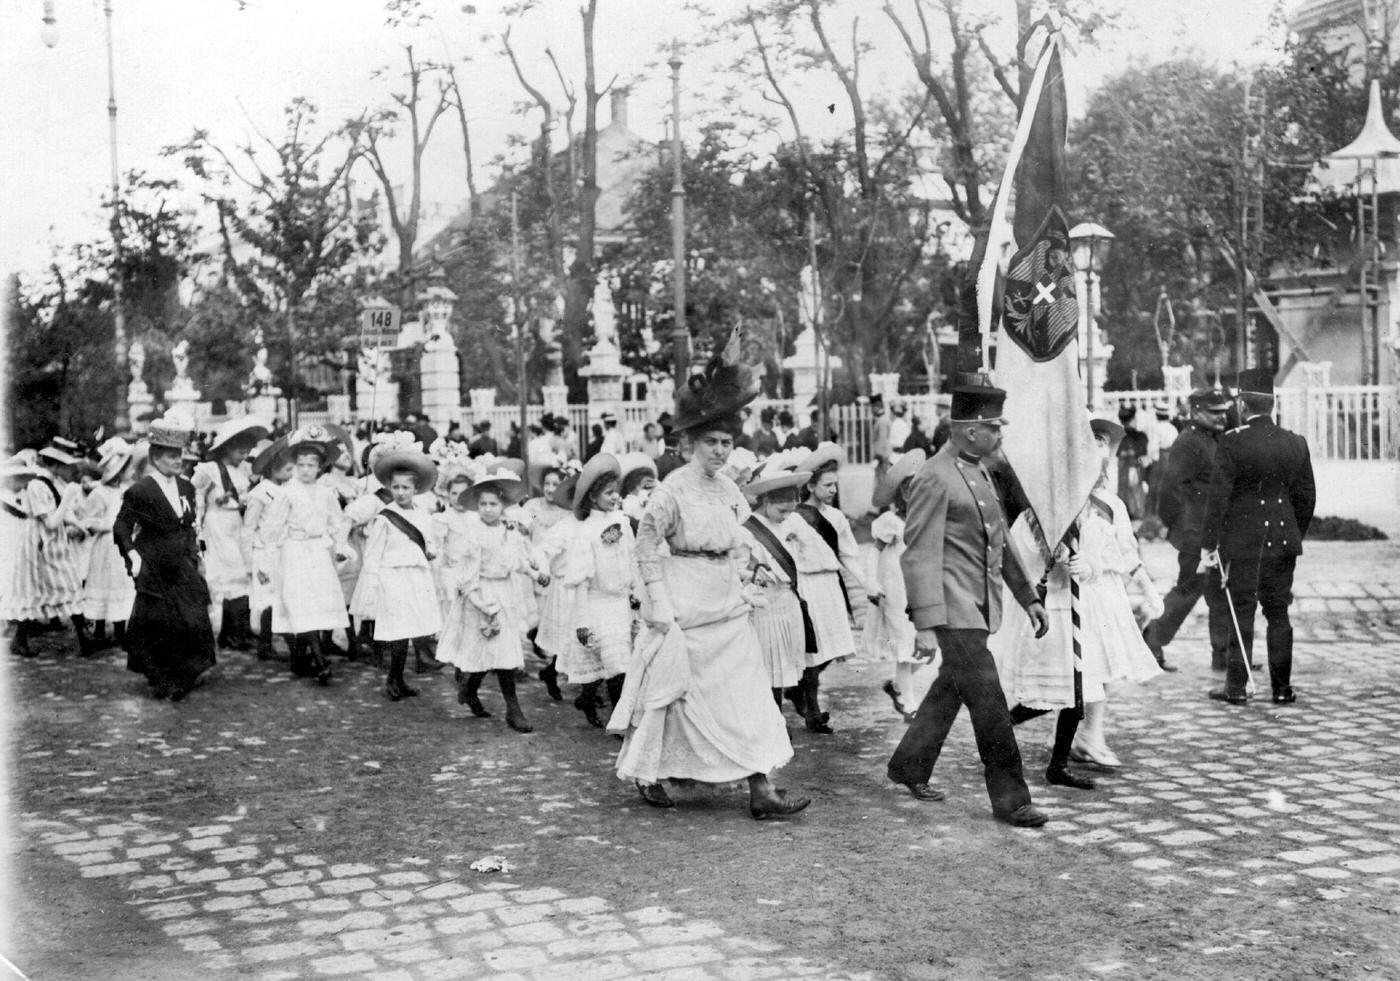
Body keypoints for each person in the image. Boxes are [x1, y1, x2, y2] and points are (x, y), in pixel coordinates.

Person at [610, 334, 809, 819]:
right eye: (711, 443)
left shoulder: (728, 491)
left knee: (746, 693)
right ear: (687, 444)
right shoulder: (670, 492)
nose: (720, 452)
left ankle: (761, 788)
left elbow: (739, 538)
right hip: (684, 601)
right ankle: (652, 771)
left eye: (727, 443)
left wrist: (750, 569)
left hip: (727, 601)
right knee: (677, 694)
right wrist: (657, 604)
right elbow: (645, 548)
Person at [885, 382, 1052, 829]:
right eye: (992, 427)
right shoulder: (934, 477)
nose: (999, 435)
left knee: (950, 689)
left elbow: (1002, 540)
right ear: (967, 430)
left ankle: (908, 765)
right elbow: (918, 553)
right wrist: (923, 622)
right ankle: (1012, 800)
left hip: (980, 607)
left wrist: (1028, 596)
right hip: (951, 609)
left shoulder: (980, 469)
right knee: (990, 702)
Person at [992, 418, 1163, 788]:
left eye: (1101, 444)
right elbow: (1019, 556)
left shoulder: (1110, 504)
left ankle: (1062, 760)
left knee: (1083, 686)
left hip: (1095, 606)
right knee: (1051, 688)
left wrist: (1134, 582)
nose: (1094, 452)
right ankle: (997, 730)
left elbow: (1125, 552)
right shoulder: (1043, 508)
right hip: (1056, 606)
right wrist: (1052, 562)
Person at [1201, 369, 1315, 706]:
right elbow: (1306, 498)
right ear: (1273, 403)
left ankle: (1236, 688)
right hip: (1282, 542)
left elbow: (1218, 497)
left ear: (1241, 402)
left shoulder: (1232, 441)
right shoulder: (1296, 443)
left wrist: (1211, 542)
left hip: (1243, 543)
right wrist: (1293, 532)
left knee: (1242, 610)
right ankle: (1281, 689)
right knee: (1279, 612)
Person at [113, 413, 218, 699]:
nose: (178, 460)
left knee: (190, 616)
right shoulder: (141, 490)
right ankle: (161, 676)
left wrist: (197, 556)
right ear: (156, 457)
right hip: (155, 564)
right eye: (171, 456)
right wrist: (132, 556)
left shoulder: (186, 487)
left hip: (182, 563)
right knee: (159, 621)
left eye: (180, 455)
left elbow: (189, 525)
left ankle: (186, 671)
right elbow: (121, 526)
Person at [438, 467, 545, 733]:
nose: (488, 509)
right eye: (483, 504)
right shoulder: (474, 535)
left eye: (493, 504)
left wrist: (535, 574)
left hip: (505, 593)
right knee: (486, 651)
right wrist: (482, 604)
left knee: (503, 651)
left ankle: (476, 691)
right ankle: (510, 707)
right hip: (483, 596)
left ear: (503, 506)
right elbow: (468, 576)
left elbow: (517, 560)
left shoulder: (509, 531)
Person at [1141, 389, 1234, 673]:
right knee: (1189, 589)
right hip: (1196, 533)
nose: (1221, 417)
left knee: (1220, 592)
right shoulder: (1188, 443)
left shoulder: (1215, 439)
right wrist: (1185, 529)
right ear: (1196, 412)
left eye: (1223, 411)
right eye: (1214, 412)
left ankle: (1224, 655)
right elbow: (1170, 491)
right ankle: (1150, 643)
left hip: (1216, 531)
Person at [793, 441, 879, 733]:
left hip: (831, 584)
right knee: (813, 651)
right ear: (811, 485)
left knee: (833, 647)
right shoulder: (795, 517)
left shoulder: (836, 517)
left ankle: (800, 690)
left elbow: (849, 555)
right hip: (806, 586)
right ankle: (812, 711)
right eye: (827, 484)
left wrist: (867, 583)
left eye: (835, 485)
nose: (833, 490)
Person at [260, 425, 353, 684]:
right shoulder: (287, 492)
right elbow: (272, 528)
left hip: (318, 551)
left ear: (321, 467)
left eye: (311, 465)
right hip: (294, 551)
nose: (305, 470)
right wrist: (267, 560)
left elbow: (337, 522)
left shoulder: (325, 493)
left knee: (319, 603)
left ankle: (301, 659)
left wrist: (342, 546)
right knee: (301, 603)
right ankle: (321, 661)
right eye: (300, 464)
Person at [361, 447, 443, 701]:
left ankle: (399, 679)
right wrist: (373, 585)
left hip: (416, 577)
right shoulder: (385, 518)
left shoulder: (422, 515)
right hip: (392, 577)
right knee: (396, 631)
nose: (400, 493)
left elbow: (431, 543)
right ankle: (392, 680)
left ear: (416, 488)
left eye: (406, 488)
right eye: (395, 488)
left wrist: (430, 552)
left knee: (410, 629)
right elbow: (373, 554)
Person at [560, 453, 636, 727]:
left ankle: (587, 698)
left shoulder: (623, 524)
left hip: (620, 603)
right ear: (593, 498)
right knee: (616, 665)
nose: (615, 497)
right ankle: (619, 720)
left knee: (617, 662)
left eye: (616, 492)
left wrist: (635, 593)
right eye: (608, 493)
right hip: (596, 603)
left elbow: (631, 559)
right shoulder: (586, 531)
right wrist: (582, 621)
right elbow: (580, 579)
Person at [738, 451, 813, 712]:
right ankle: (770, 720)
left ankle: (776, 719)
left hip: (786, 602)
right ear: (766, 499)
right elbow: (739, 569)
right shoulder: (748, 529)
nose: (785, 516)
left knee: (784, 665)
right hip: (763, 606)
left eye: (789, 511)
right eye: (782, 510)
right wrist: (753, 574)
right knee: (766, 666)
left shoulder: (787, 525)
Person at [193, 417, 269, 653]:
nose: (243, 454)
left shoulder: (242, 470)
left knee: (241, 576)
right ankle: (231, 633)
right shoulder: (209, 469)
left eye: (247, 450)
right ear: (227, 447)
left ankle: (238, 630)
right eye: (239, 449)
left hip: (236, 523)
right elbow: (195, 498)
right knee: (229, 575)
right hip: (216, 525)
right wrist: (197, 529)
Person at [867, 448, 929, 722]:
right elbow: (875, 551)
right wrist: (871, 582)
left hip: (921, 586)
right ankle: (907, 700)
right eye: (910, 490)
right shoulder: (890, 522)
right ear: (901, 493)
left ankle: (897, 685)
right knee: (904, 641)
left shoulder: (927, 517)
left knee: (925, 645)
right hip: (896, 588)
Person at [81, 438, 138, 652]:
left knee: (121, 582)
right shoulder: (99, 493)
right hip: (106, 544)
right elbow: (90, 522)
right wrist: (112, 526)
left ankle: (121, 628)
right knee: (104, 581)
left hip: (121, 544)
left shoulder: (125, 491)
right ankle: (98, 628)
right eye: (125, 468)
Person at [242, 437, 293, 661]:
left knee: (280, 597)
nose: (291, 473)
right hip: (264, 552)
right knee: (268, 599)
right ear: (273, 468)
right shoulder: (261, 492)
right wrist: (250, 561)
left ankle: (267, 643)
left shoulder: (287, 490)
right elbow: (248, 528)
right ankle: (269, 645)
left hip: (283, 550)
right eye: (287, 468)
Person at [1116, 405, 1149, 520]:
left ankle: (1128, 511)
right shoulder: (1140, 436)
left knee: (1125, 489)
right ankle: (1136, 512)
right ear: (1133, 419)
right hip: (1134, 466)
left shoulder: (1119, 435)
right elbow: (1143, 453)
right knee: (1134, 490)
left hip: (1124, 466)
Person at [870, 395, 893, 481]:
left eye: (872, 407)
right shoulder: (882, 419)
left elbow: (882, 440)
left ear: (876, 406)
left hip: (882, 456)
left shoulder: (882, 420)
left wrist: (878, 457)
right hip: (884, 455)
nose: (871, 410)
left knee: (881, 481)